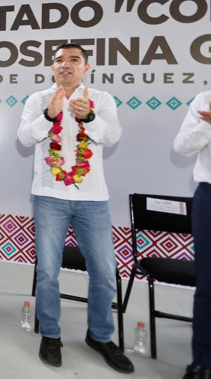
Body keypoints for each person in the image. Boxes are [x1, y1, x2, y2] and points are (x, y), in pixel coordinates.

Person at [17, 43, 133, 373]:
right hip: (48, 196)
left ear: (86, 67)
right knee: (48, 272)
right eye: (59, 61)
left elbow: (111, 137)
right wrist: (48, 117)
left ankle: (100, 336)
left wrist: (90, 118)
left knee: (104, 273)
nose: (65, 65)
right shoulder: (38, 100)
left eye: (74, 60)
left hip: (93, 198)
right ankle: (51, 334)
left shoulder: (102, 99)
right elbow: (25, 138)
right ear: (52, 68)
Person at [174, 90, 211, 379]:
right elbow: (182, 147)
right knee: (209, 286)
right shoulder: (206, 100)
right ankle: (204, 361)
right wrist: (209, 125)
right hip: (210, 198)